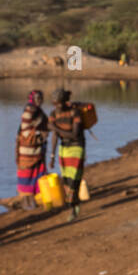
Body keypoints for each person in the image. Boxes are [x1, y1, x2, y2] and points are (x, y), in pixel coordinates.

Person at [48, 88, 86, 221]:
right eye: (55, 103)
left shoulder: (74, 113)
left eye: (60, 103)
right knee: (66, 179)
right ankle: (74, 205)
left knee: (74, 179)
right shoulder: (53, 114)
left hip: (77, 147)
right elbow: (54, 137)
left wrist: (55, 128)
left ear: (65, 102)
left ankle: (74, 206)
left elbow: (75, 134)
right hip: (63, 148)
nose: (57, 106)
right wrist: (52, 156)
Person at [15, 90, 50, 208]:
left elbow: (47, 124)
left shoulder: (38, 111)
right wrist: (40, 136)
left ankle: (35, 202)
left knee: (37, 175)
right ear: (32, 99)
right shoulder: (29, 110)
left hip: (37, 150)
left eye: (41, 98)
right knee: (27, 176)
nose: (40, 100)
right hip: (27, 151)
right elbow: (25, 131)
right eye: (37, 98)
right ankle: (27, 204)